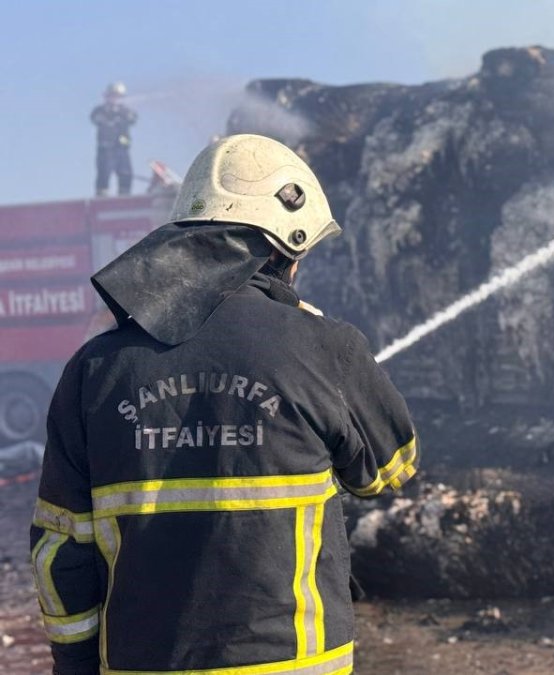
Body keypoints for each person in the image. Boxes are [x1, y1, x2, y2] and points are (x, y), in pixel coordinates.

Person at [31, 134, 419, 674]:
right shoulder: (324, 345)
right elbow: (389, 470)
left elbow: (58, 550)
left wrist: (75, 664)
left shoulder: (93, 369)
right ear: (288, 246)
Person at [90, 82, 137, 197]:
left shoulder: (125, 111)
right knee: (104, 172)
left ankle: (125, 195)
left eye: (117, 96)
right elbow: (95, 118)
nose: (114, 99)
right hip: (106, 149)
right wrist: (109, 117)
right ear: (107, 96)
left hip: (122, 149)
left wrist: (122, 115)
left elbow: (133, 118)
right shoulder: (100, 111)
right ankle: (102, 195)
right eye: (112, 96)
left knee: (125, 172)